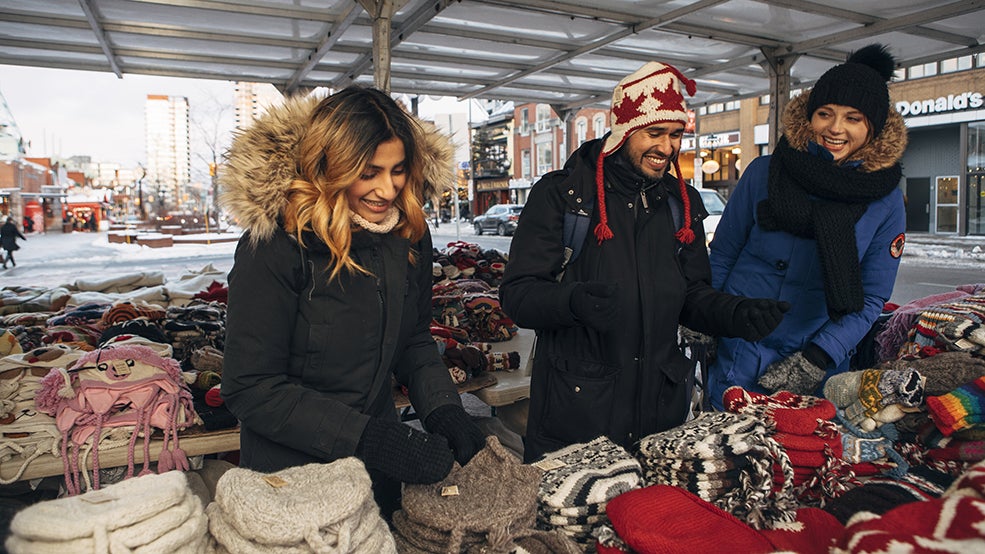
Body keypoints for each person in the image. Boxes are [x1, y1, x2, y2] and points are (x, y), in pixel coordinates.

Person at [499, 61, 790, 462]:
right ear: (623, 131)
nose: (666, 148)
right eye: (654, 133)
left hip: (660, 416)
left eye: (675, 135)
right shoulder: (563, 197)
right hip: (578, 415)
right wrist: (573, 302)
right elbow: (517, 295)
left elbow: (692, 295)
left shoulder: (681, 203)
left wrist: (735, 313)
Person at [219, 86, 487, 517]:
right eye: (368, 172)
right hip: (291, 477)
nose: (387, 188)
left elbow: (414, 341)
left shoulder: (408, 233)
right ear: (331, 166)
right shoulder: (277, 245)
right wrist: (370, 439)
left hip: (376, 470)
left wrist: (442, 410)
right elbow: (250, 387)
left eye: (398, 170)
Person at [706, 44, 908, 408]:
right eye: (825, 113)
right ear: (809, 117)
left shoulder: (885, 200)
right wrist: (705, 317)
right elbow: (722, 253)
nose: (835, 128)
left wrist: (817, 358)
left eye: (853, 118)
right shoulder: (765, 172)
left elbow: (872, 296)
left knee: (802, 459)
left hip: (815, 359)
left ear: (873, 128)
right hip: (739, 347)